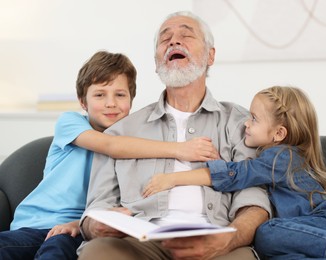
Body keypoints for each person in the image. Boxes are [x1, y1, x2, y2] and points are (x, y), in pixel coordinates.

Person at [78, 11, 271, 260]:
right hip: (139, 243)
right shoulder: (121, 132)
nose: (173, 41)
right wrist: (95, 225)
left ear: (210, 55)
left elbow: (255, 200)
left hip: (217, 240)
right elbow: (97, 207)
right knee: (98, 253)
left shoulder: (240, 123)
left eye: (186, 35)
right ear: (157, 60)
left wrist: (228, 239)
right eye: (164, 38)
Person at [0, 50, 219, 260]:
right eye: (100, 94)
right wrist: (180, 149)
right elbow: (111, 144)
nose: (111, 103)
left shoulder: (136, 144)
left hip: (77, 231)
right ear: (83, 102)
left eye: (120, 94)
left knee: (56, 252)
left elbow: (123, 206)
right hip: (35, 224)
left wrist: (80, 224)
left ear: (131, 101)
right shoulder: (71, 122)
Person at [143, 86, 326, 259]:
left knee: (266, 233)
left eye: (254, 119)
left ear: (278, 134)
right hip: (324, 231)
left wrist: (171, 179)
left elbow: (233, 175)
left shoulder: (280, 156)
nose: (246, 123)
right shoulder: (276, 160)